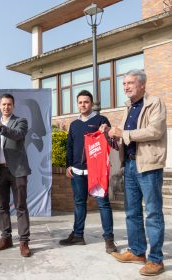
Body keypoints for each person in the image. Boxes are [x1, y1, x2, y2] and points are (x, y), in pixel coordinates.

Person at [104, 69, 167, 276]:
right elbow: (123, 136)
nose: (125, 87)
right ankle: (137, 251)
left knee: (153, 213)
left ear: (142, 84)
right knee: (131, 212)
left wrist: (124, 133)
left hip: (148, 165)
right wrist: (112, 135)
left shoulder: (154, 103)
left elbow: (155, 131)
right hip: (129, 165)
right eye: (124, 84)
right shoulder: (129, 107)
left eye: (130, 83)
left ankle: (156, 260)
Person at [59, 90, 117, 254]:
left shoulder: (101, 120)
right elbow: (69, 146)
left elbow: (112, 142)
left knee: (103, 205)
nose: (83, 105)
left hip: (96, 172)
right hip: (77, 172)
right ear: (77, 104)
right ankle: (78, 235)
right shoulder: (74, 124)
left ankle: (109, 240)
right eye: (80, 102)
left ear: (91, 104)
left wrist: (106, 131)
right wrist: (68, 165)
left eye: (86, 102)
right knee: (79, 204)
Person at [0, 93, 32, 257]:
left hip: (18, 170)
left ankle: (24, 241)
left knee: (21, 206)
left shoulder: (20, 121)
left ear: (13, 106)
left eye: (9, 104)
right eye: (3, 104)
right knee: (2, 207)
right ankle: (6, 238)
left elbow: (18, 135)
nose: (6, 107)